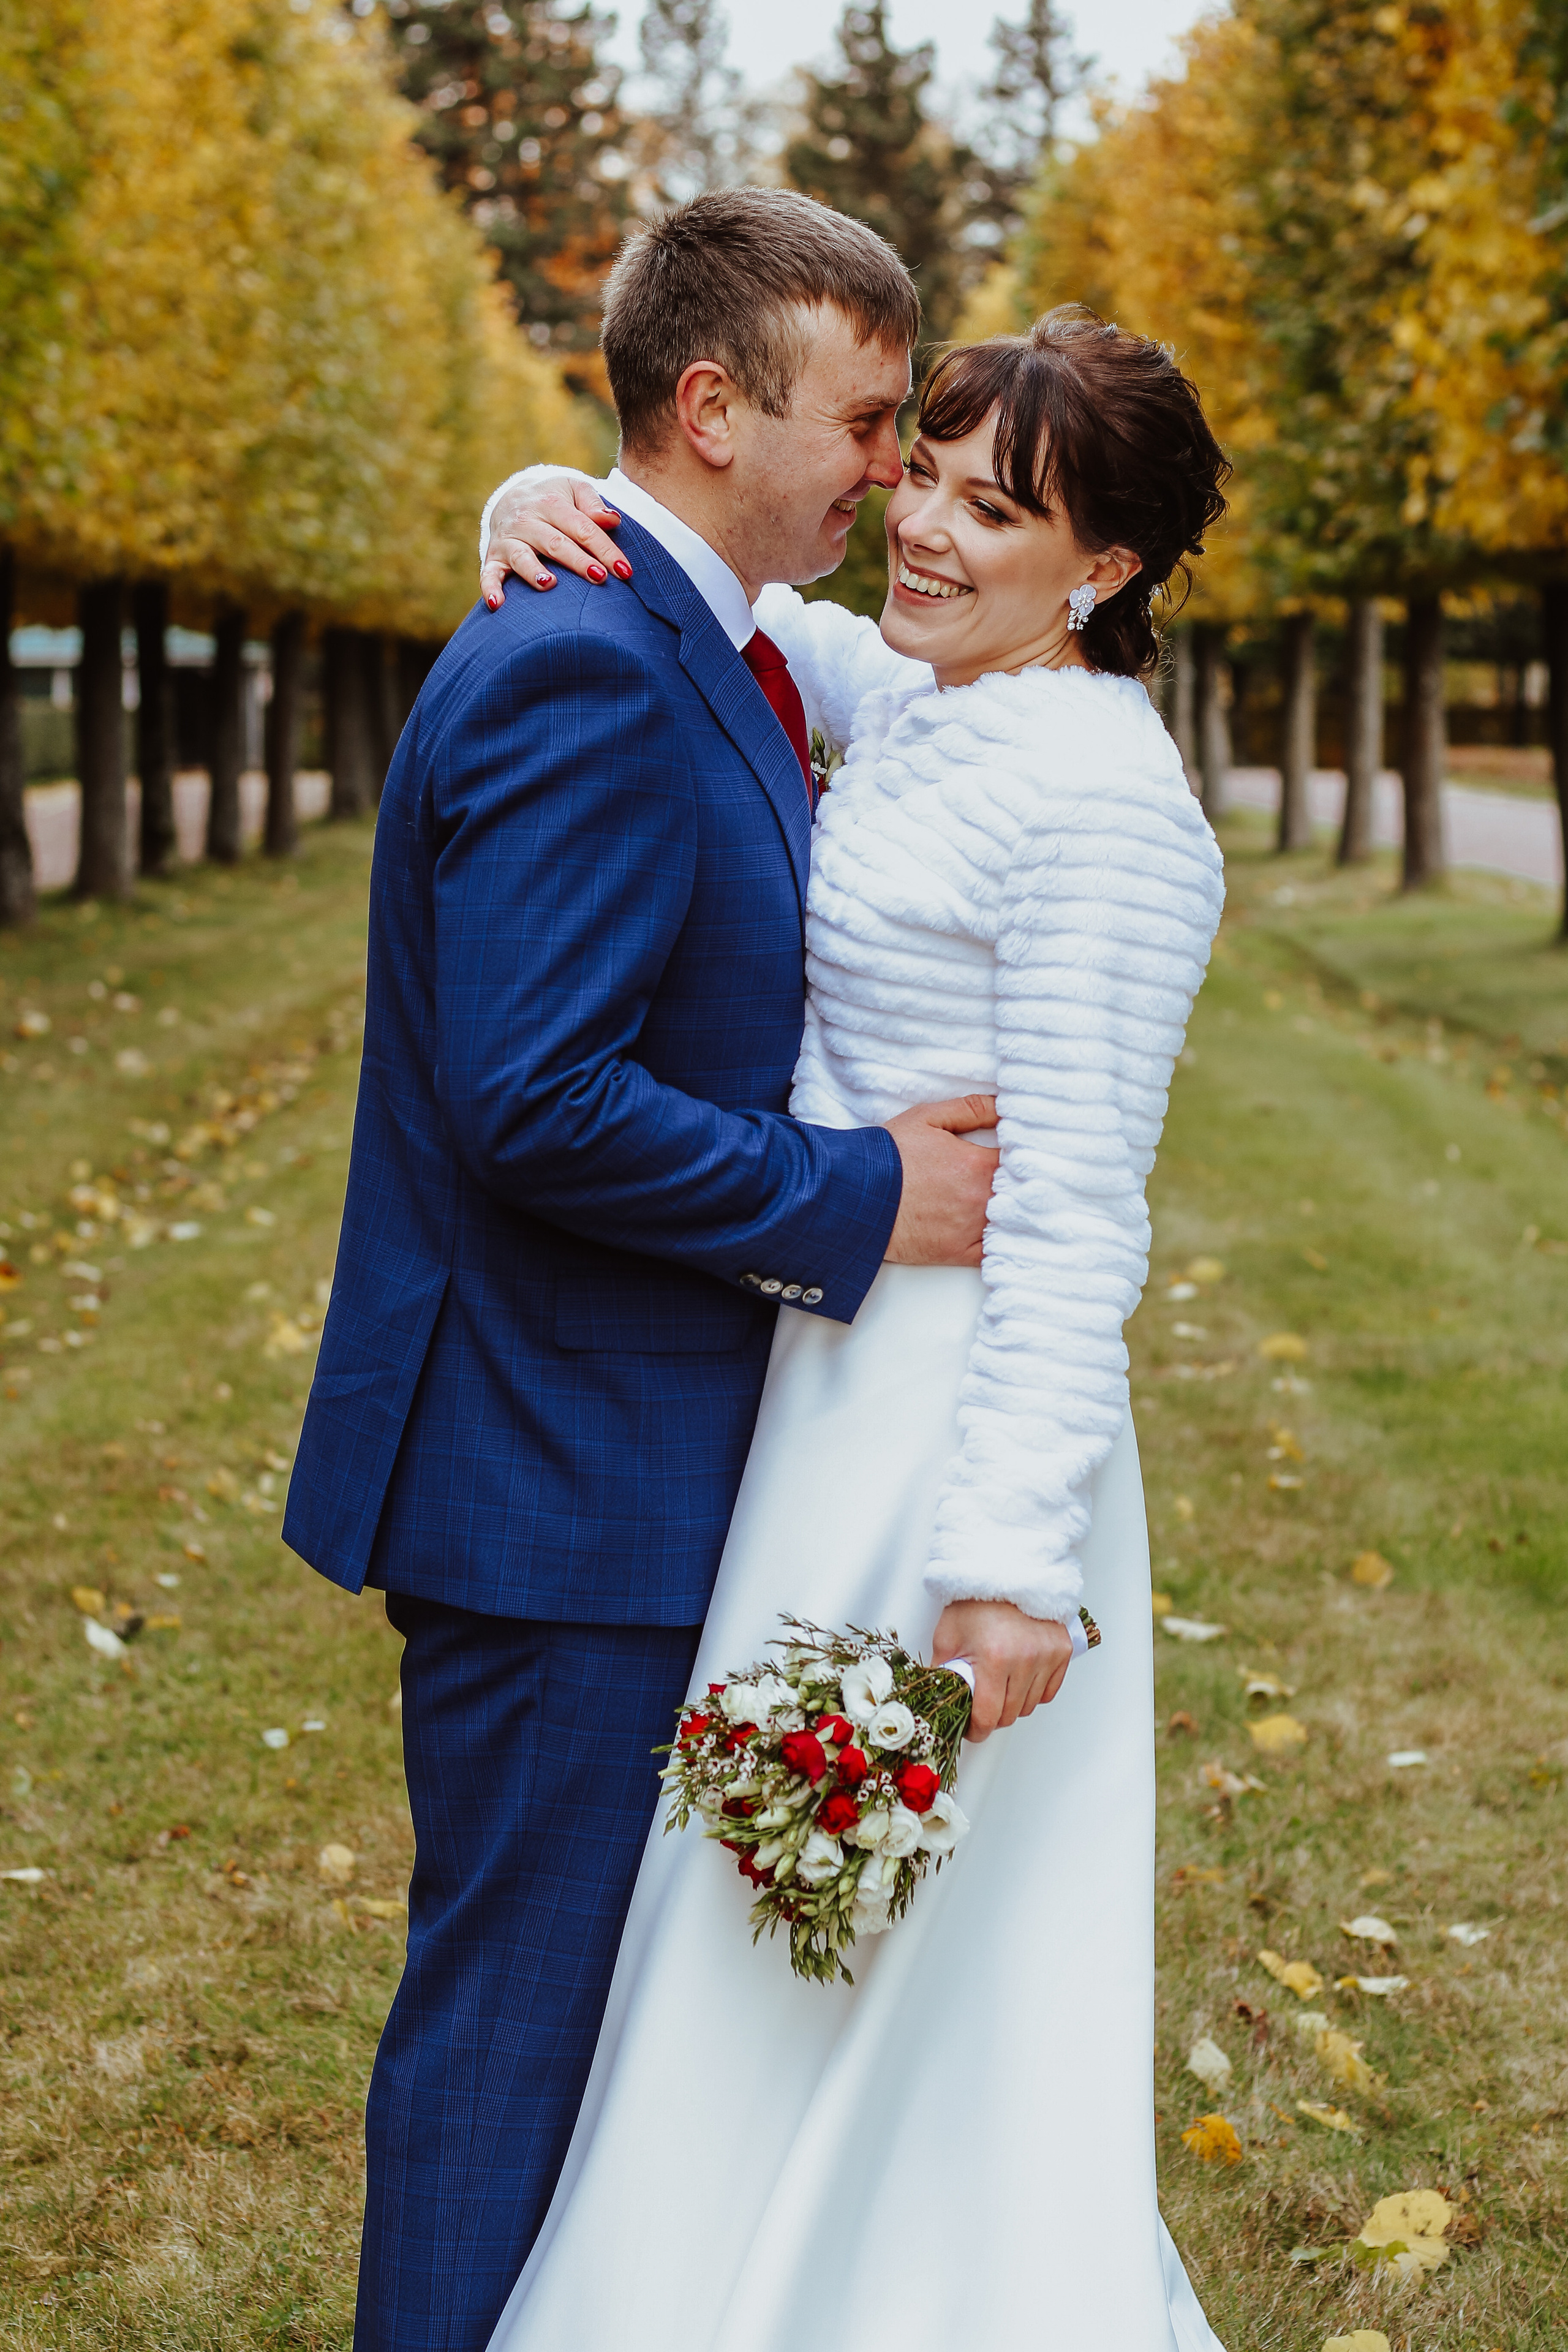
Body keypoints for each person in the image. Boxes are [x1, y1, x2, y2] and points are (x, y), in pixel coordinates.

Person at [281, 189, 1067, 2352]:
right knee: (514, 2039)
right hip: (553, 1484)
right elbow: (533, 1097)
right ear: (715, 408)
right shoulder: (588, 662)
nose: (895, 474)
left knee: (583, 2034)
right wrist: (857, 1198)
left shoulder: (679, 625)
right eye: (876, 422)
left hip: (601, 1460)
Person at [475, 304, 1231, 2347]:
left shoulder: (1104, 802)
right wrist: (552, 502)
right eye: (927, 473)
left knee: (903, 1948)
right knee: (756, 1911)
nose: (925, 531)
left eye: (999, 510)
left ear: (1107, 571)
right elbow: (721, 612)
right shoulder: (917, 696)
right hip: (819, 1393)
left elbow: (1075, 1213)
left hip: (953, 1443)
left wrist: (1004, 1568)